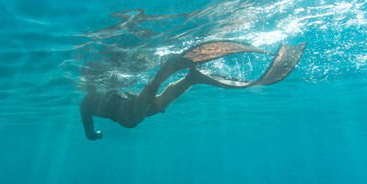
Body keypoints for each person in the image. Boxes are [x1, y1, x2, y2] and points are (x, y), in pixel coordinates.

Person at [80, 41, 306, 140]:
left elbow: (90, 133)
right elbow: (90, 133)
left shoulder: (85, 105)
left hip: (126, 109)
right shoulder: (90, 101)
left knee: (132, 120)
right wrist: (94, 134)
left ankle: (163, 73)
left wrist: (96, 135)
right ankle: (192, 78)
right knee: (156, 105)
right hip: (128, 101)